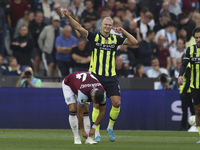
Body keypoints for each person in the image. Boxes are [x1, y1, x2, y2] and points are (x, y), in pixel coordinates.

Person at [61, 6, 138, 142]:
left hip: (111, 76)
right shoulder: (94, 36)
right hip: (95, 76)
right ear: (101, 24)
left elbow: (134, 42)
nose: (108, 26)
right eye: (106, 24)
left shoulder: (115, 39)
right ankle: (96, 131)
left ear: (112, 26)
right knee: (97, 104)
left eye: (110, 25)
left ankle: (110, 127)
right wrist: (68, 17)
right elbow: (78, 28)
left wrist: (123, 31)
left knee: (117, 103)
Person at [62, 71, 106, 144]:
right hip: (69, 83)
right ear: (91, 96)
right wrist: (82, 130)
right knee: (73, 109)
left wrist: (94, 127)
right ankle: (76, 137)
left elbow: (102, 112)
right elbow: (79, 114)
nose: (95, 104)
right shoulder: (84, 93)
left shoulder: (102, 93)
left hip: (82, 84)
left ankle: (88, 138)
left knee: (86, 109)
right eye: (94, 101)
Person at [178, 27, 200, 143]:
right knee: (197, 111)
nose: (198, 39)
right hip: (195, 86)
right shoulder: (190, 50)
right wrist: (180, 75)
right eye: (196, 38)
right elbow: (184, 64)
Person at [38, 15, 63, 80]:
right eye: (54, 21)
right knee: (51, 64)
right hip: (49, 50)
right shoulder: (47, 29)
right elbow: (40, 38)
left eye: (57, 21)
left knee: (57, 66)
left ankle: (57, 80)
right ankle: (50, 79)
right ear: (52, 21)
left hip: (58, 50)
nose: (56, 23)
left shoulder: (61, 30)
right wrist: (42, 48)